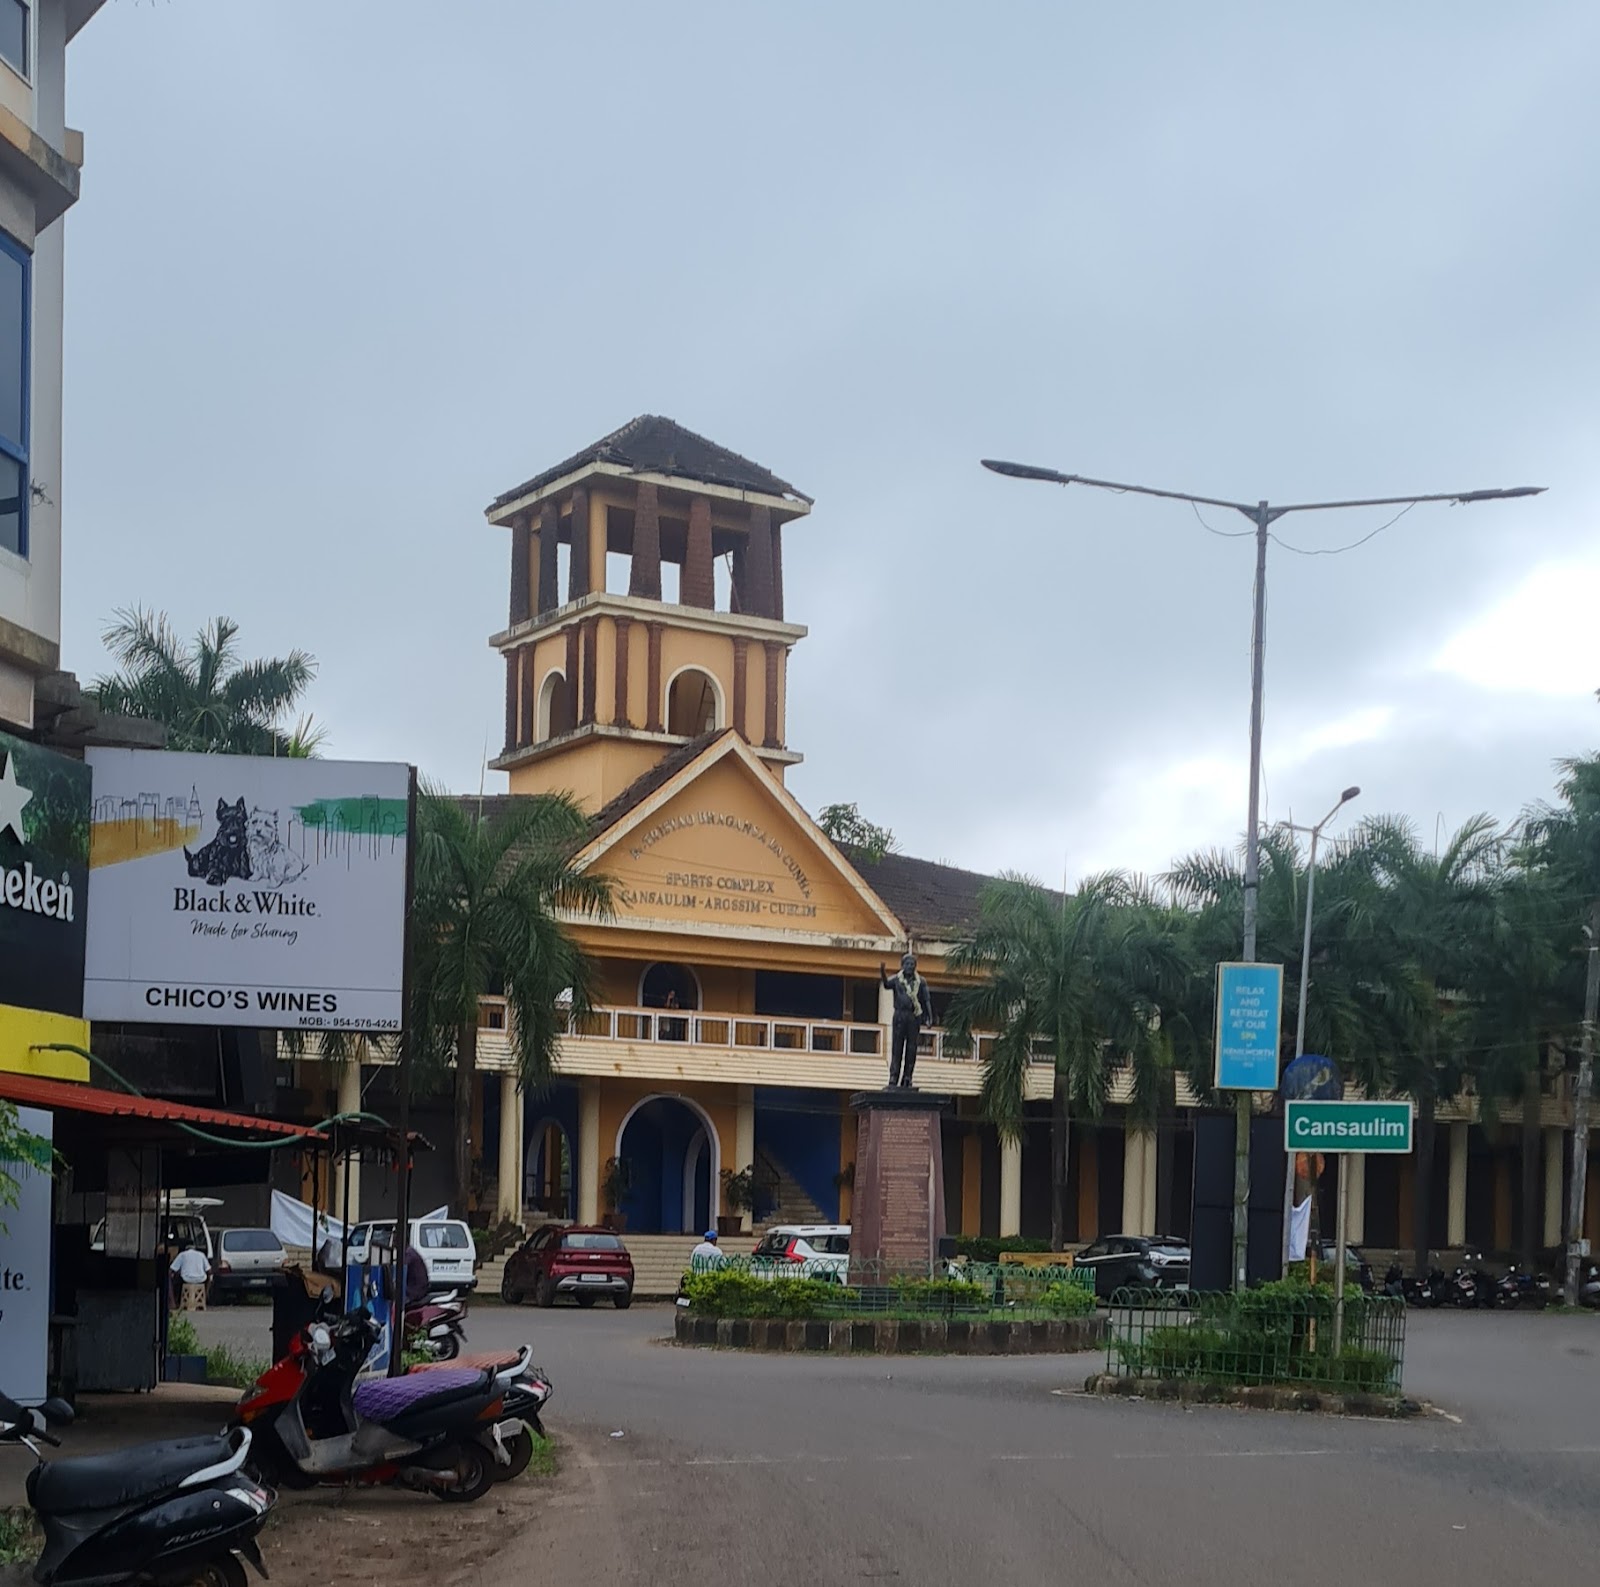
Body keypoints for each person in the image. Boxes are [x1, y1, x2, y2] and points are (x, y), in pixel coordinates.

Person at [880, 952, 934, 1088]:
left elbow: (926, 1000)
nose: (909, 966)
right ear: (902, 965)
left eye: (912, 964)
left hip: (914, 1017)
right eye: (907, 964)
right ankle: (893, 1077)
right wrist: (882, 972)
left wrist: (929, 1017)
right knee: (897, 1048)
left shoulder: (921, 981)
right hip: (899, 1016)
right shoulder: (897, 980)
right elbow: (886, 985)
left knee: (911, 1048)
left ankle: (908, 1077)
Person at [169, 1240, 211, 1307]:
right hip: (201, 1280)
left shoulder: (182, 1255)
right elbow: (209, 1271)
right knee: (209, 1279)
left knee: (171, 1280)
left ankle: (174, 1302)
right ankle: (204, 1298)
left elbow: (171, 1270)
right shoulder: (201, 1254)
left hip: (186, 1279)